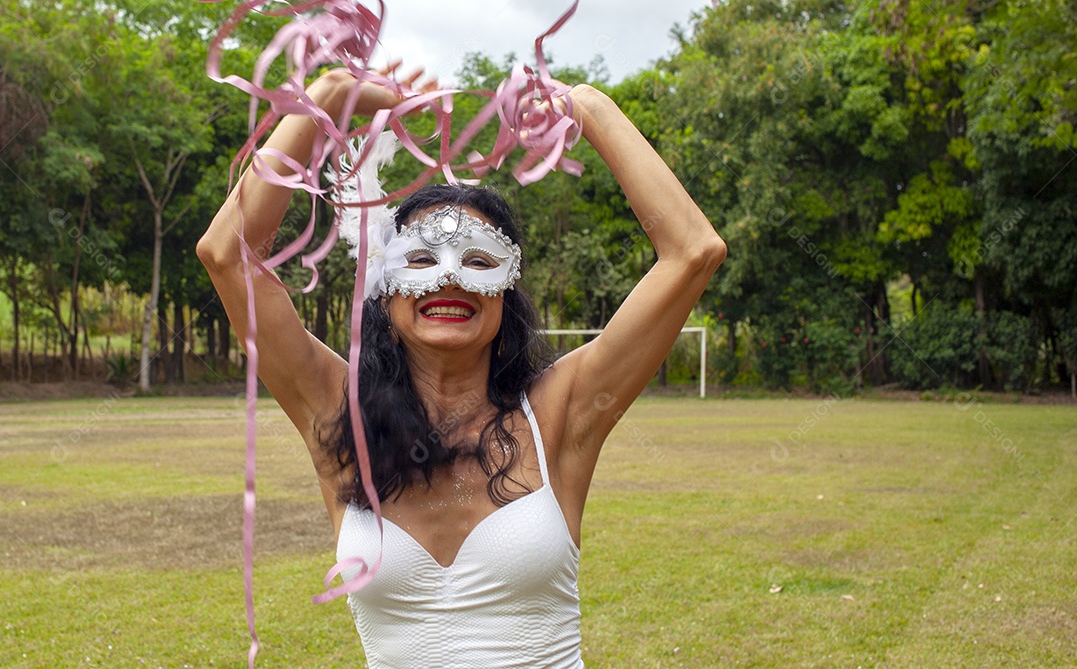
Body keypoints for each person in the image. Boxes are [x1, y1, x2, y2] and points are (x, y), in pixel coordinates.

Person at [197, 67, 726, 668]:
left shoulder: (561, 412)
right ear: (383, 287)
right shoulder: (338, 415)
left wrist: (584, 106)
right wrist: (326, 98)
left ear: (506, 291)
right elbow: (226, 254)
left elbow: (693, 251)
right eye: (420, 259)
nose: (449, 278)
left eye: (479, 259)